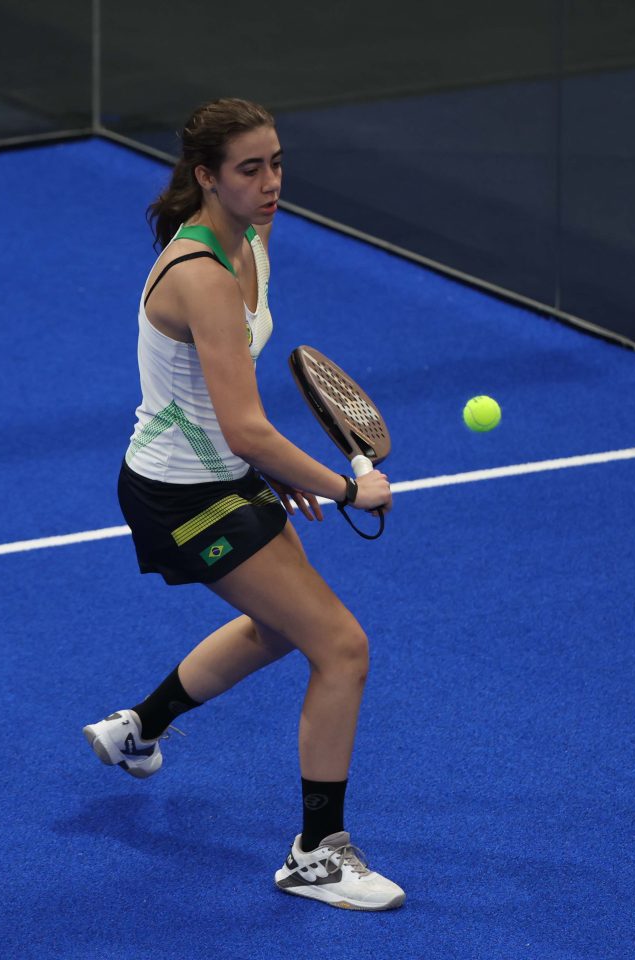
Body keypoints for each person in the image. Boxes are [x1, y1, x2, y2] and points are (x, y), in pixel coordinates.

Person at [83, 98, 404, 911]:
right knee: (342, 648)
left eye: (277, 163)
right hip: (179, 495)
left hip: (218, 474)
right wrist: (347, 485)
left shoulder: (253, 240)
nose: (270, 183)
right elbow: (247, 426)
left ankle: (139, 728)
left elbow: (233, 413)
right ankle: (316, 855)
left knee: (280, 628)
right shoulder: (202, 277)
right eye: (250, 169)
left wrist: (261, 462)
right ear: (206, 177)